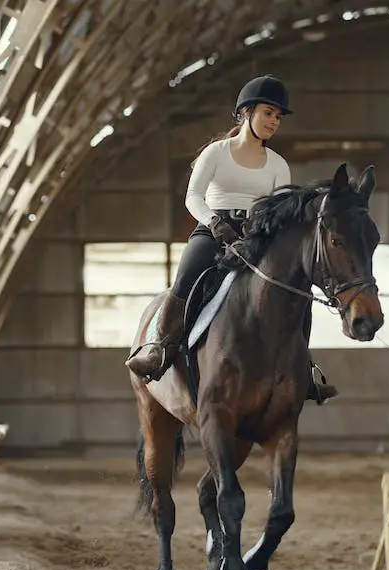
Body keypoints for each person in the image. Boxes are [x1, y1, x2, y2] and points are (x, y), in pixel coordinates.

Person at [124, 74, 338, 404]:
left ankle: (303, 366)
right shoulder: (216, 153)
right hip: (213, 230)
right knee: (185, 278)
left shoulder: (278, 165)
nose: (274, 121)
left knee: (297, 291)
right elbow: (192, 196)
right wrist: (215, 224)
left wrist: (261, 235)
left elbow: (278, 210)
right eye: (268, 113)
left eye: (278, 117)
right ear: (245, 112)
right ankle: (158, 348)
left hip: (257, 236)